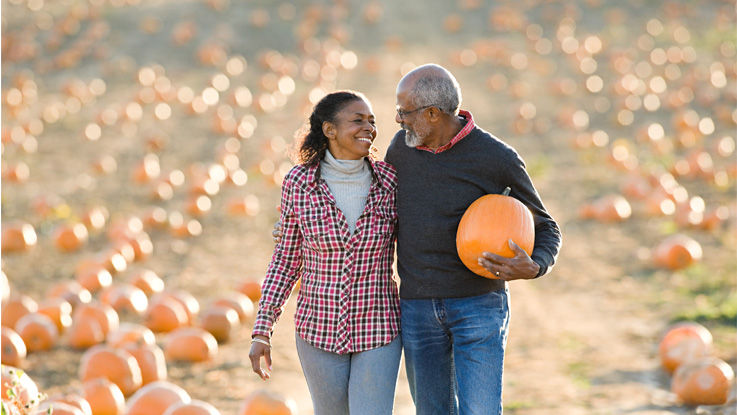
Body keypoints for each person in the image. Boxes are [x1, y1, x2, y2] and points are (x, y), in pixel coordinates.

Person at [385, 63, 561, 414]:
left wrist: (536, 264)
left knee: (480, 410)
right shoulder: (400, 150)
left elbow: (547, 227)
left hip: (478, 305)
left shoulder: (496, 158)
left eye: (404, 112)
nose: (398, 120)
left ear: (433, 114)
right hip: (418, 305)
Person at [249, 90, 402, 415]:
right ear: (329, 130)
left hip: (378, 326)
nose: (369, 128)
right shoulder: (299, 184)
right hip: (318, 328)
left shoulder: (389, 182)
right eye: (358, 120)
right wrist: (263, 328)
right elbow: (286, 261)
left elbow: (418, 237)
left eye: (372, 122)